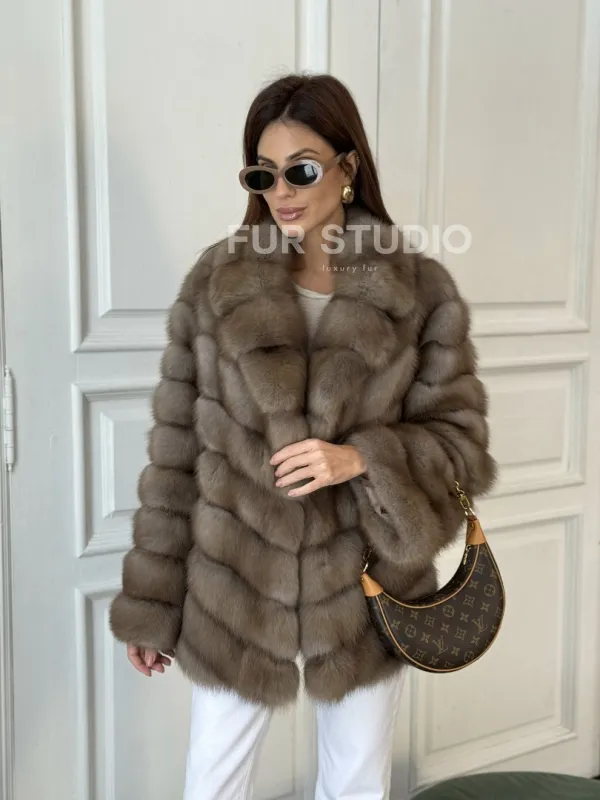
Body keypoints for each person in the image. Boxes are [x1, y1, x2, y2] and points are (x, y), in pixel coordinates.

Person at [108, 72, 497, 799]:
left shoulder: (421, 292)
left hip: (365, 587)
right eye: (263, 173)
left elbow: (461, 446)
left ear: (348, 167)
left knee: (356, 785)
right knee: (212, 783)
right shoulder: (216, 284)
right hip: (235, 587)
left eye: (302, 170)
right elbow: (175, 458)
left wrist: (361, 458)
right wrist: (153, 607)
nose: (281, 191)